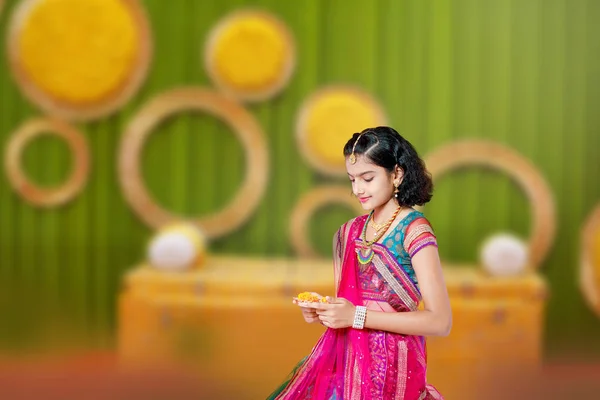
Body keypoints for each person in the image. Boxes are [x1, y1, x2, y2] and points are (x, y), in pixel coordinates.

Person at [268, 126, 452, 400]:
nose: (358, 190)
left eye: (367, 178)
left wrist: (355, 316)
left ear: (397, 174)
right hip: (347, 362)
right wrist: (326, 310)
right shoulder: (349, 232)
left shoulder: (414, 231)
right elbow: (355, 300)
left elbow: (440, 321)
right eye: (352, 180)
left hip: (393, 370)